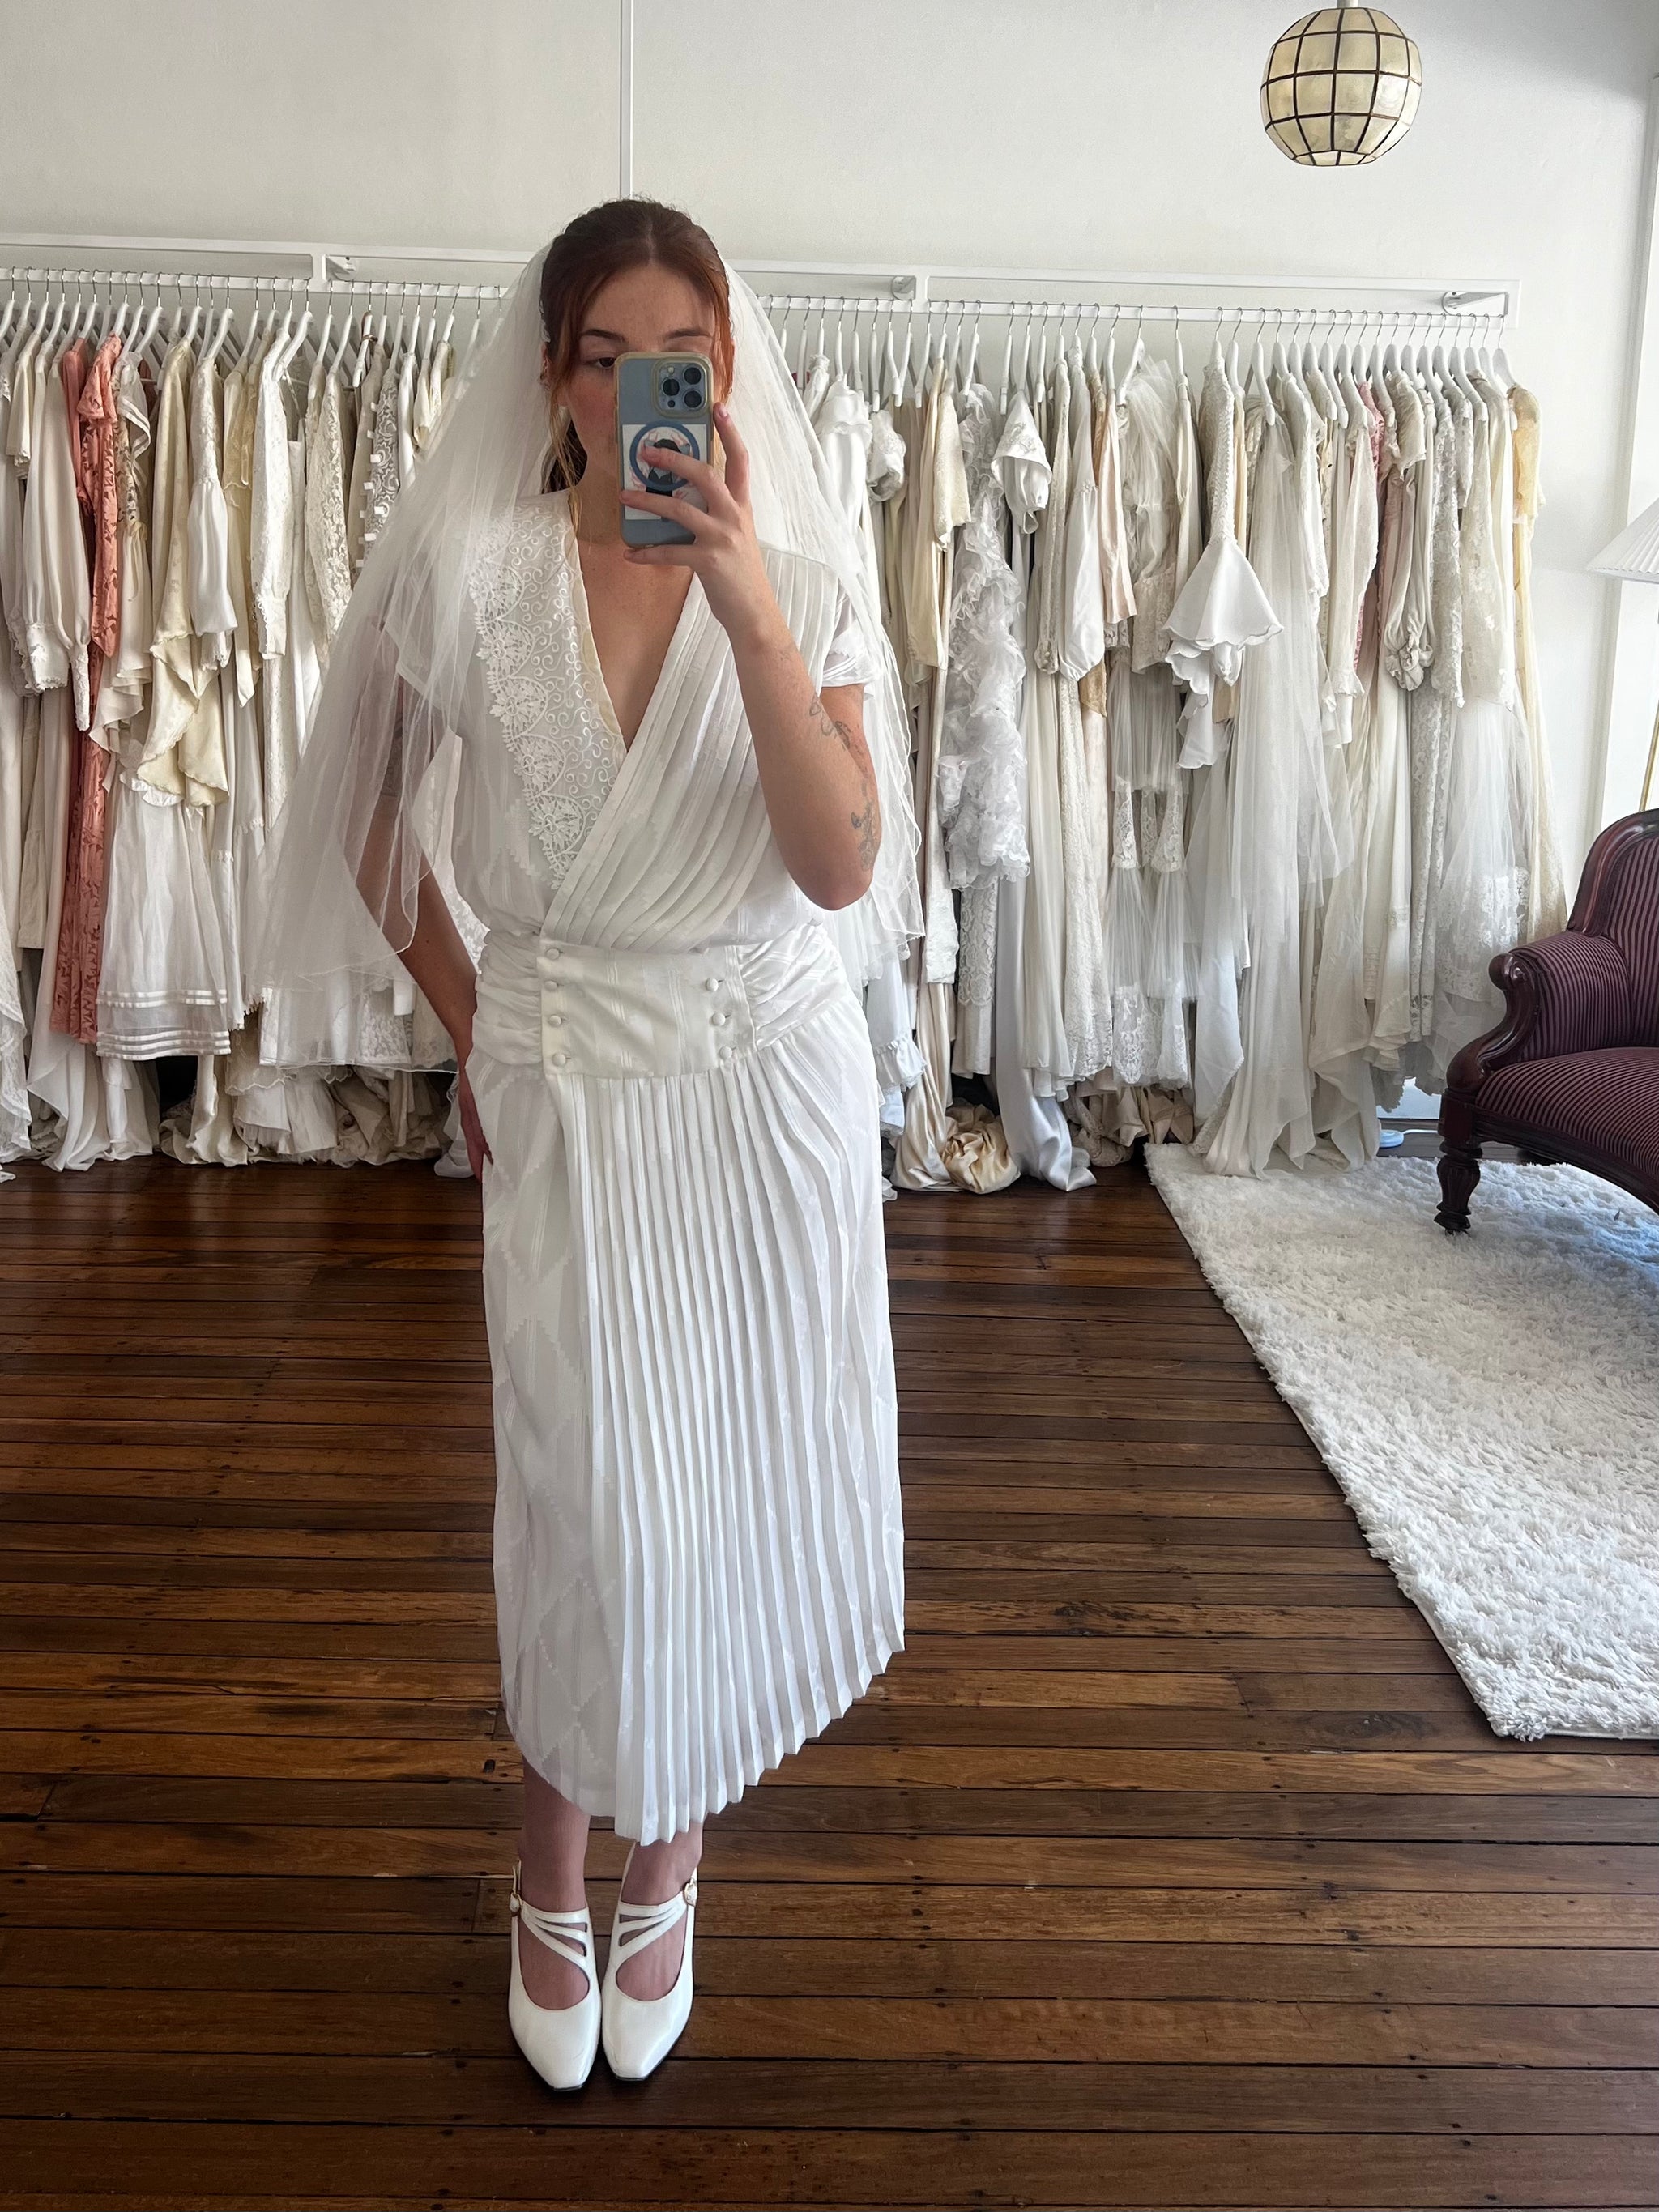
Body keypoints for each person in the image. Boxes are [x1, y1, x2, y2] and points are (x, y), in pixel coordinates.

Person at [245, 199, 921, 2089]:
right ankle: (549, 1863)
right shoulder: (468, 574)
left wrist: (748, 606)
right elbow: (363, 820)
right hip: (568, 1082)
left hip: (763, 1085)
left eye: (676, 360)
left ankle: (670, 1859)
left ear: (728, 365)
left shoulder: (804, 578)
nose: (640, 397)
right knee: (579, 1486)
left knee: (723, 1485)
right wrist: (477, 1019)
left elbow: (838, 865)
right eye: (604, 360)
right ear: (551, 378)